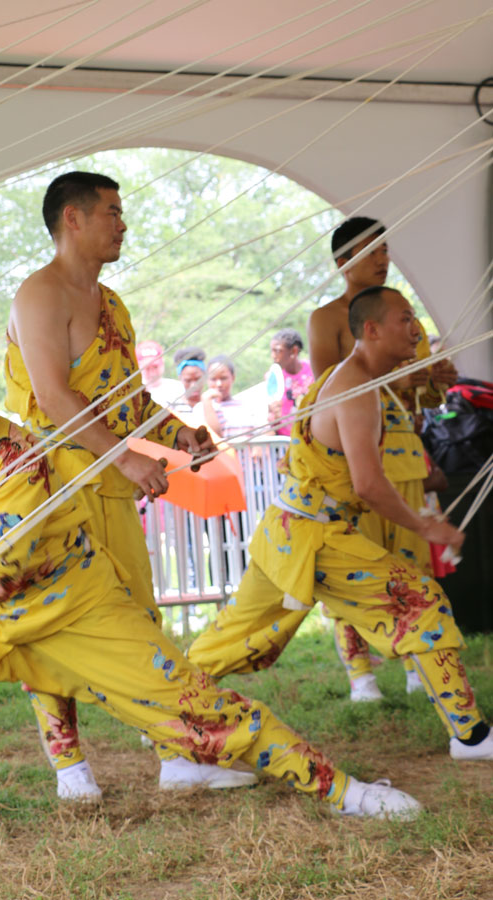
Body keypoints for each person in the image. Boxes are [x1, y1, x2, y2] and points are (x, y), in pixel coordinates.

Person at [0, 329, 424, 857]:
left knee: (197, 713)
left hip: (70, 604)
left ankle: (345, 791)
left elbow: (4, 569)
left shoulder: (14, 453)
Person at [5, 171, 243, 799]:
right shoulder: (38, 293)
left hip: (106, 484)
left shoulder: (113, 304)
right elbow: (55, 398)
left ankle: (178, 755)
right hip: (49, 489)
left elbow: (127, 399)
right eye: (112, 210)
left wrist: (179, 431)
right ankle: (70, 769)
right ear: (72, 219)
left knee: (140, 619)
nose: (123, 223)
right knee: (51, 624)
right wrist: (129, 460)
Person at [188, 287, 493, 762]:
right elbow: (369, 484)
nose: (416, 328)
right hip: (314, 534)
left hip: (287, 529)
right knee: (423, 603)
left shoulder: (354, 379)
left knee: (237, 636)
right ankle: (471, 737)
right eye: (404, 318)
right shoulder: (356, 387)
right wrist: (426, 526)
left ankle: (166, 709)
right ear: (371, 330)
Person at [308, 217, 457, 700]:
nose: (382, 257)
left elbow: (429, 403)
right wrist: (398, 382)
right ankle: (360, 674)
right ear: (342, 262)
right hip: (356, 458)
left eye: (385, 248)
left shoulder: (402, 315)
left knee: (414, 568)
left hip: (405, 456)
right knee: (357, 565)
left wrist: (437, 380)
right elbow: (322, 391)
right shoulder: (326, 319)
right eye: (370, 249)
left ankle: (418, 665)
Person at [268, 328, 314, 436]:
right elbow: (270, 416)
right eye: (272, 351)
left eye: (278, 351)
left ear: (294, 351)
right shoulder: (273, 377)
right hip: (285, 442)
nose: (273, 356)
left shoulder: (312, 372)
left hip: (311, 436)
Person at [135, 340, 181, 407]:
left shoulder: (178, 388)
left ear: (163, 363)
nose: (152, 373)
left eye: (155, 367)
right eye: (147, 368)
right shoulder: (135, 393)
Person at [171, 347, 206, 417]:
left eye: (198, 379)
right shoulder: (173, 409)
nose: (193, 385)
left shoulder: (213, 404)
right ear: (180, 378)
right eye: (188, 380)